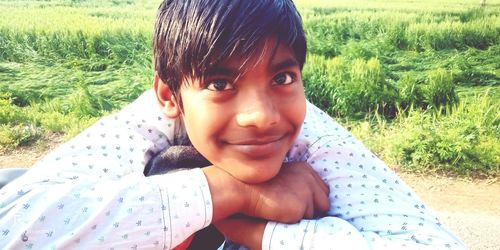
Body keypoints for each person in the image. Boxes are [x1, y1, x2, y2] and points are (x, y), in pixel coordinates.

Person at [0, 0, 465, 249]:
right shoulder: (145, 124)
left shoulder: (308, 133)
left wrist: (261, 232)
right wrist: (234, 193)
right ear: (169, 94)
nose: (261, 115)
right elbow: (12, 225)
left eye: (283, 77)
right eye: (221, 82)